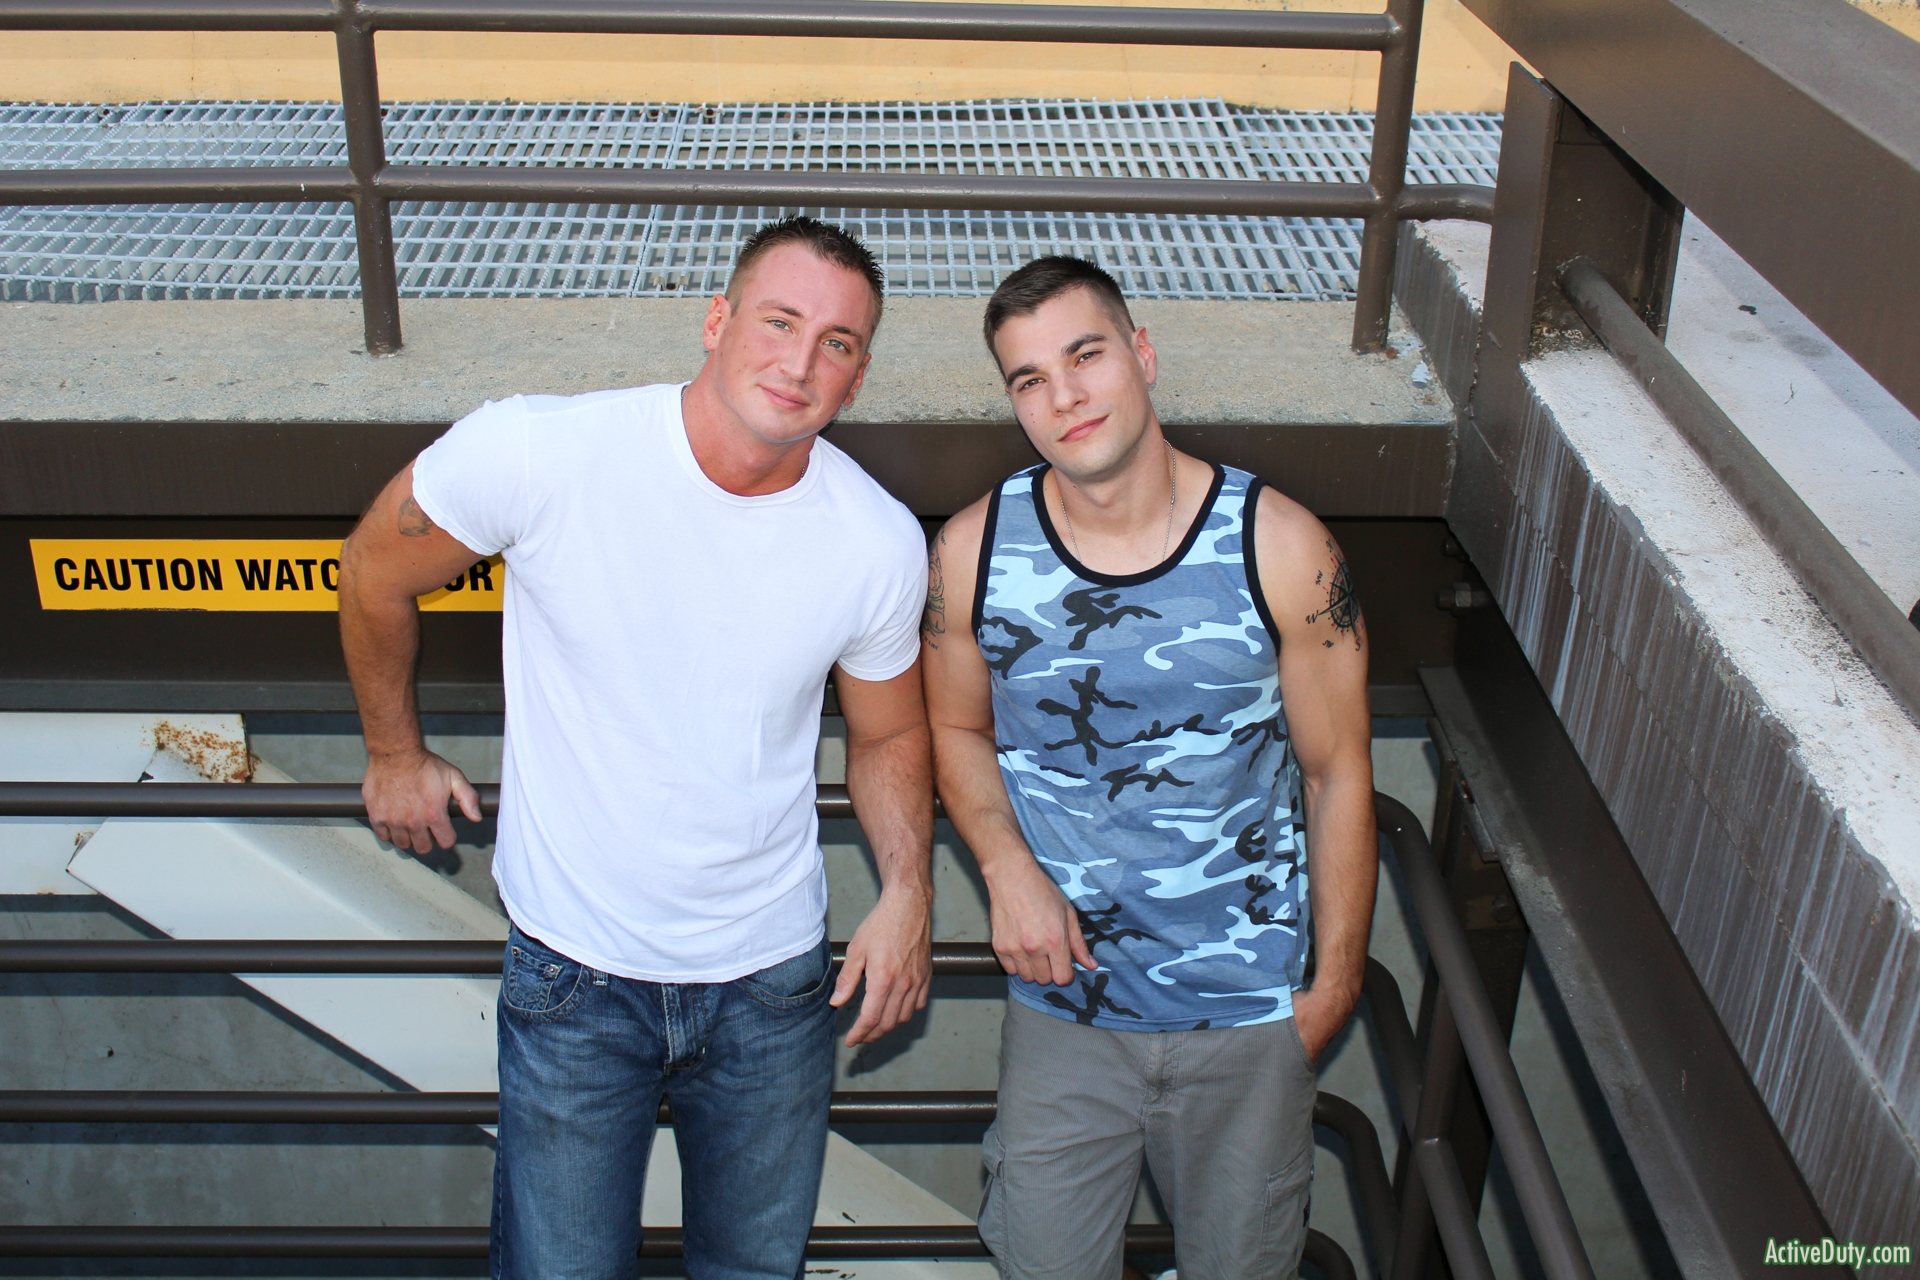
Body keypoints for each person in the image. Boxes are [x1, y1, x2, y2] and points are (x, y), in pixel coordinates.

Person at [337, 216, 935, 1280]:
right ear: (716, 321)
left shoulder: (876, 539)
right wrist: (393, 753)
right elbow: (373, 569)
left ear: (859, 373)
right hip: (573, 973)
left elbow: (888, 732)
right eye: (779, 321)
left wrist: (907, 891)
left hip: (771, 985)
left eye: (837, 342)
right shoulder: (541, 451)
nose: (800, 362)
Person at [921, 257, 1377, 1279]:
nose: (1065, 396)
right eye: (1030, 378)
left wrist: (1333, 989)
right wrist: (1006, 866)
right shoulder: (973, 554)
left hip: (1249, 1015)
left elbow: (1338, 772)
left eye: (1085, 355)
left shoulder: (1282, 547)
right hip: (1065, 1010)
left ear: (1143, 353)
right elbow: (954, 728)